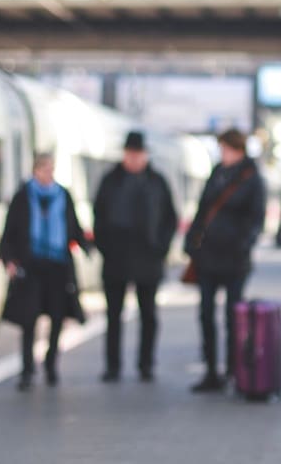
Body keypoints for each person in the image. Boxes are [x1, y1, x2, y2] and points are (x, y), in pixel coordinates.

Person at [0, 153, 89, 391]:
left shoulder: (63, 196)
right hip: (31, 267)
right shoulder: (22, 197)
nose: (48, 174)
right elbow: (10, 233)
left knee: (57, 319)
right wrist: (9, 260)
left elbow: (74, 228)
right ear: (35, 171)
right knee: (29, 320)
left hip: (58, 267)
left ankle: (51, 365)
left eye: (50, 169)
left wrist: (89, 245)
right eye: (43, 169)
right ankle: (27, 369)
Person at [93, 131, 178, 383]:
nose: (134, 158)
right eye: (130, 153)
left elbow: (170, 218)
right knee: (113, 316)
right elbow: (99, 217)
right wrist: (105, 247)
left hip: (148, 258)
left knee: (149, 315)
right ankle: (113, 366)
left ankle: (146, 364)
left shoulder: (157, 181)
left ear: (145, 155)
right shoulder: (110, 181)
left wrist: (160, 248)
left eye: (138, 154)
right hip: (116, 258)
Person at [184, 128, 265, 392]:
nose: (222, 154)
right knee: (206, 313)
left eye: (225, 149)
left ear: (237, 149)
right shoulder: (217, 173)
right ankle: (210, 370)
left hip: (234, 258)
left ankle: (234, 369)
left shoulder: (252, 178)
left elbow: (256, 218)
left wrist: (244, 245)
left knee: (234, 316)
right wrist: (192, 239)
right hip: (208, 256)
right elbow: (203, 208)